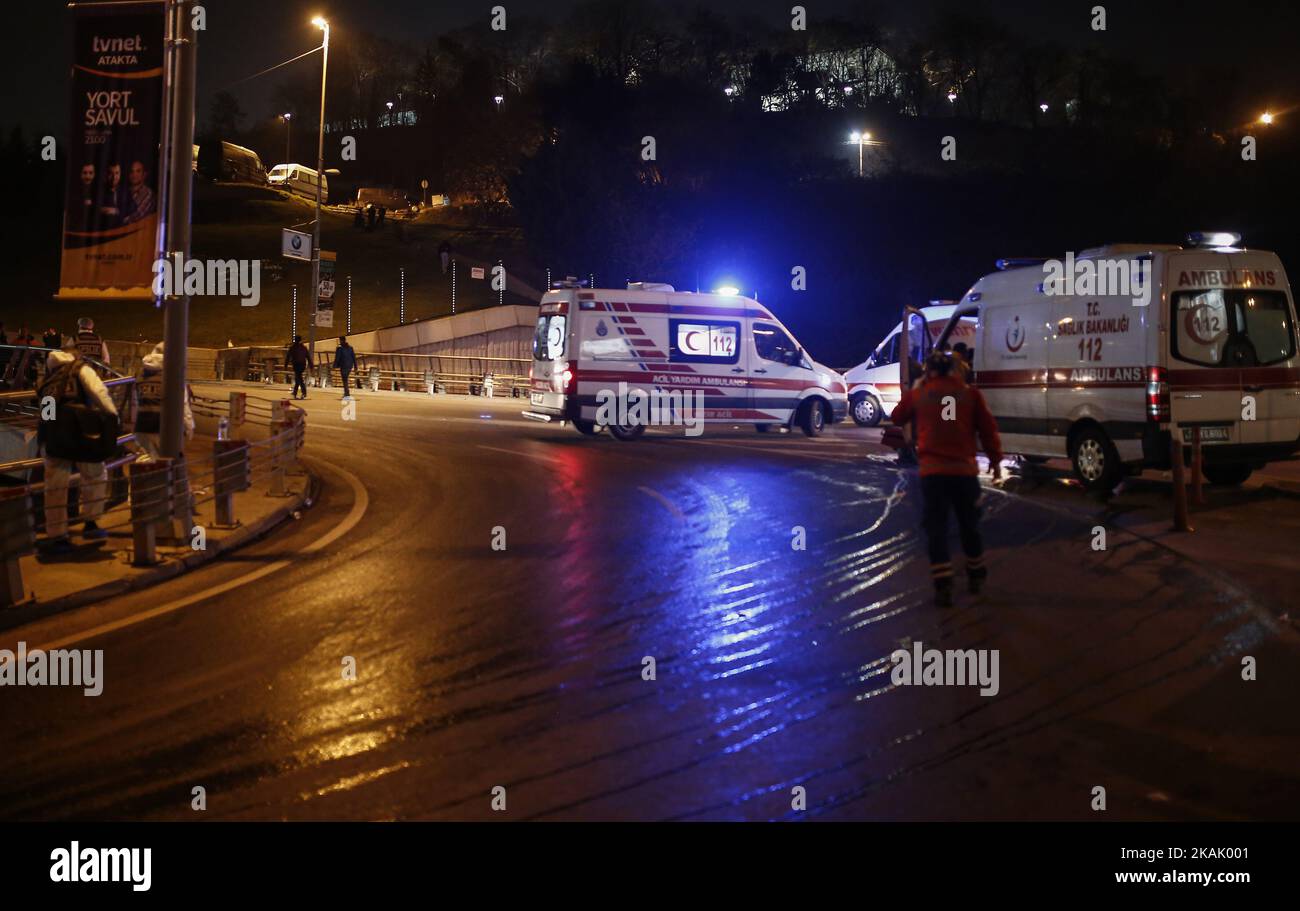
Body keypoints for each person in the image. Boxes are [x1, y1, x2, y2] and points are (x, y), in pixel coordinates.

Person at [890, 350, 1004, 608]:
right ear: (954, 370)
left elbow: (897, 416)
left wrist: (917, 388)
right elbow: (988, 429)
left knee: (936, 529)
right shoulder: (970, 394)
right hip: (964, 473)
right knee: (969, 526)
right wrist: (995, 461)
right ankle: (976, 576)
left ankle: (943, 585)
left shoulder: (920, 394)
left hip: (933, 474)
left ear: (928, 371)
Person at [38, 348, 119, 554]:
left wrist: (46, 440)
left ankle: (57, 536)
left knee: (55, 487)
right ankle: (91, 523)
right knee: (95, 474)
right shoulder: (80, 369)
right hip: (82, 433)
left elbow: (47, 415)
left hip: (56, 438)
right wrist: (112, 417)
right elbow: (99, 393)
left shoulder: (47, 382)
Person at [130, 341, 193, 461]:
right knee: (170, 464)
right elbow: (182, 405)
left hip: (142, 427)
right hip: (165, 429)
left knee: (147, 461)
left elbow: (135, 402)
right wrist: (188, 427)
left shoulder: (141, 374)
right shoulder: (172, 375)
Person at [286, 335, 310, 399]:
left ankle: (303, 393)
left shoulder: (293, 347)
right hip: (302, 365)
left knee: (299, 379)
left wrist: (286, 364)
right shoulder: (303, 347)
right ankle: (295, 392)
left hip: (296, 364)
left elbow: (288, 357)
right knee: (298, 378)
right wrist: (311, 364)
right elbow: (308, 357)